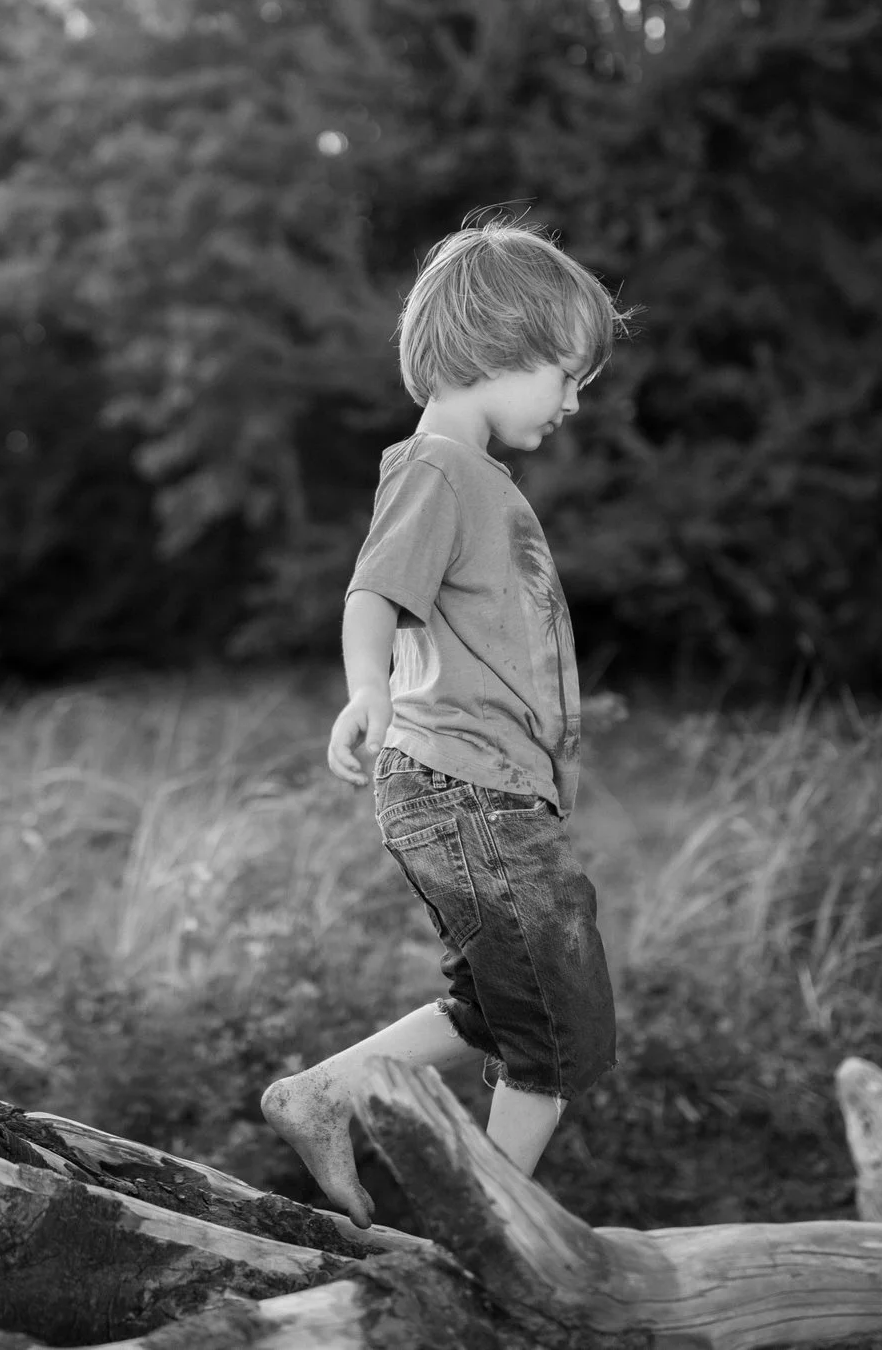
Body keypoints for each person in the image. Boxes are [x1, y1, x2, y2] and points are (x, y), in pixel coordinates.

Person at [261, 214, 630, 1228]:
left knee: (497, 1007)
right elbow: (371, 592)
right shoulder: (437, 469)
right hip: (467, 790)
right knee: (561, 1030)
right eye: (566, 374)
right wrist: (367, 688)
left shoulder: (474, 478)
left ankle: (322, 1093)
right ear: (496, 348)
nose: (572, 401)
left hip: (485, 791)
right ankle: (494, 1232)